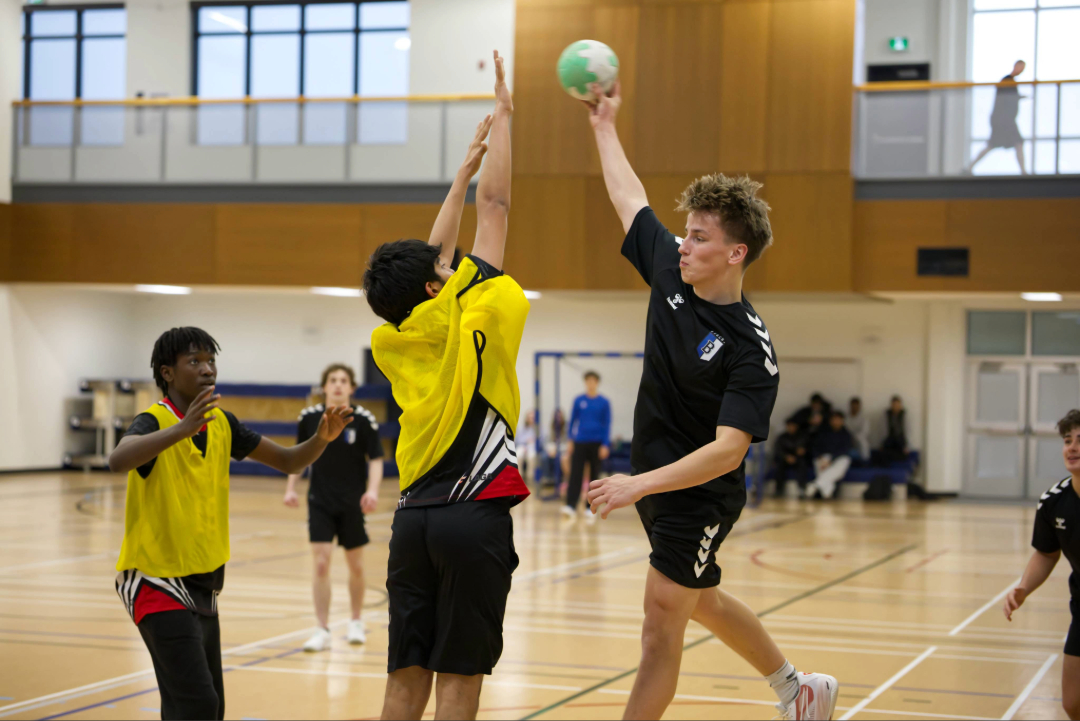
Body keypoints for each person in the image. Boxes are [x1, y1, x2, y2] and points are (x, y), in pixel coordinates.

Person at [580, 81, 838, 721]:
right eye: (685, 234)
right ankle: (797, 689)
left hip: (696, 496)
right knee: (702, 599)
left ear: (734, 252)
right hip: (656, 482)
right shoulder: (672, 269)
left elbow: (726, 453)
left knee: (659, 628)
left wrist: (637, 485)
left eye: (697, 237)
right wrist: (604, 126)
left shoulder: (752, 350)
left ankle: (793, 690)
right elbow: (627, 197)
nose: (683, 244)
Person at [363, 51, 529, 721]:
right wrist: (507, 120)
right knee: (460, 677)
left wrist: (458, 176)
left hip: (413, 521)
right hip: (474, 513)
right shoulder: (477, 311)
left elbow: (434, 270)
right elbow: (500, 204)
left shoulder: (395, 337)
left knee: (406, 676)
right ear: (440, 282)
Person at [109, 327, 351, 721]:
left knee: (205, 707)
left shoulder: (223, 422)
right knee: (198, 705)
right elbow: (118, 460)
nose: (207, 370)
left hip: (204, 582)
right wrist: (181, 430)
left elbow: (289, 462)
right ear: (167, 373)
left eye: (210, 361)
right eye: (194, 362)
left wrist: (322, 440)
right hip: (155, 580)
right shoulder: (152, 421)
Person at [283, 363, 384, 652]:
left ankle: (355, 621)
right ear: (324, 386)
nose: (338, 385)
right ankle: (322, 628)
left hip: (352, 503)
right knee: (321, 562)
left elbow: (375, 458)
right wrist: (291, 488)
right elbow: (297, 456)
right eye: (332, 380)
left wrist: (373, 491)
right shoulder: (310, 417)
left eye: (343, 381)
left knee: (356, 565)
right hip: (320, 501)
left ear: (352, 388)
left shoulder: (364, 420)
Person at [1004, 409, 1080, 720]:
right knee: (1073, 703)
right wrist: (1024, 587)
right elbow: (1047, 553)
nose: (1072, 447)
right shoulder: (1053, 501)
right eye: (1067, 440)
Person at [563, 370, 612, 519]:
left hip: (596, 443)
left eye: (593, 381)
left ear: (597, 383)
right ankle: (571, 505)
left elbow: (607, 424)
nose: (590, 384)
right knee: (576, 473)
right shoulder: (579, 400)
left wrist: (605, 444)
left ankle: (589, 507)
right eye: (588, 381)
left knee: (594, 476)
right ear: (585, 382)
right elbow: (572, 421)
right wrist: (570, 440)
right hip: (580, 442)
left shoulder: (604, 402)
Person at [966, 60, 1028, 175]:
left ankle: (970, 167)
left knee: (996, 144)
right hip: (1003, 120)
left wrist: (1019, 97)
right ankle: (1023, 172)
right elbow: (1005, 100)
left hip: (1005, 119)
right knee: (1015, 143)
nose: (1021, 70)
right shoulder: (1007, 81)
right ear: (1016, 66)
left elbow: (1009, 99)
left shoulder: (1010, 82)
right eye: (1021, 67)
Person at [810, 411, 854, 500]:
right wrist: (821, 457)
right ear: (830, 421)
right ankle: (827, 493)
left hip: (838, 459)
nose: (836, 422)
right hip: (823, 458)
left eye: (838, 420)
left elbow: (844, 450)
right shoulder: (823, 432)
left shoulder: (846, 434)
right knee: (821, 463)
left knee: (843, 462)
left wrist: (831, 460)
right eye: (834, 420)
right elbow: (815, 447)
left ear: (842, 421)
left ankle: (815, 485)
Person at [772, 419, 808, 498]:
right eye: (789, 426)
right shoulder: (782, 437)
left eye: (793, 426)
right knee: (779, 467)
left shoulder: (802, 437)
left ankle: (802, 489)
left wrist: (800, 453)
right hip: (784, 458)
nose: (791, 428)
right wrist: (786, 456)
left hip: (798, 459)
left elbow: (804, 449)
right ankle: (779, 490)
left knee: (802, 466)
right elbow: (778, 450)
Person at [880, 395, 909, 463]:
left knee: (903, 454)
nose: (895, 407)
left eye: (897, 405)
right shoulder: (887, 415)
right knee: (883, 454)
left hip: (900, 441)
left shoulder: (904, 415)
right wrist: (882, 444)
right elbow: (883, 431)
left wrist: (906, 446)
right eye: (894, 405)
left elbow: (907, 430)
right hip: (890, 440)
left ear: (900, 405)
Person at [846, 396, 870, 461]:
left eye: (856, 406)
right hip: (847, 438)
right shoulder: (846, 418)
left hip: (859, 438)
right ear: (850, 406)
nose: (855, 408)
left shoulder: (864, 418)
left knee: (863, 442)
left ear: (859, 407)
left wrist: (855, 436)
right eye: (853, 406)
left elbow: (865, 432)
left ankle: (865, 461)